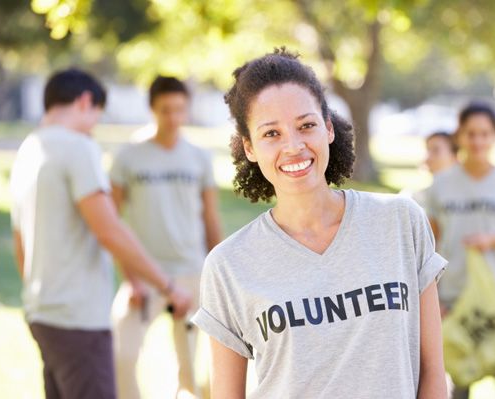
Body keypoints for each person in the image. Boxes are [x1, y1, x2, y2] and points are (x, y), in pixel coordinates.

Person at [190, 48, 448, 398]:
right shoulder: (229, 265)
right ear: (249, 147)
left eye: (306, 125)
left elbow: (432, 373)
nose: (293, 146)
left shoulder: (401, 222)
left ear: (328, 128)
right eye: (271, 134)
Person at [9, 69, 192, 399]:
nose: (95, 124)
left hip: (42, 314)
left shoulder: (29, 150)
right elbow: (109, 230)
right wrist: (168, 286)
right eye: (96, 114)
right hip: (79, 319)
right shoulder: (79, 147)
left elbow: (19, 241)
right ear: (84, 101)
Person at [110, 76, 222, 399]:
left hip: (191, 272)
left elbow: (210, 218)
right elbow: (113, 222)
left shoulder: (199, 158)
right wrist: (131, 278)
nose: (173, 118)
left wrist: (218, 273)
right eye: (165, 110)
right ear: (152, 109)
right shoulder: (129, 157)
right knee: (122, 355)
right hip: (144, 275)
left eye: (179, 110)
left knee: (191, 369)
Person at [425, 102, 495, 399]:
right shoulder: (441, 186)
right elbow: (430, 246)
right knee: (459, 382)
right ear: (459, 136)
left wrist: (494, 240)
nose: (477, 141)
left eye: (484, 134)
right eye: (471, 133)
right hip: (455, 295)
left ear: (494, 136)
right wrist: (435, 297)